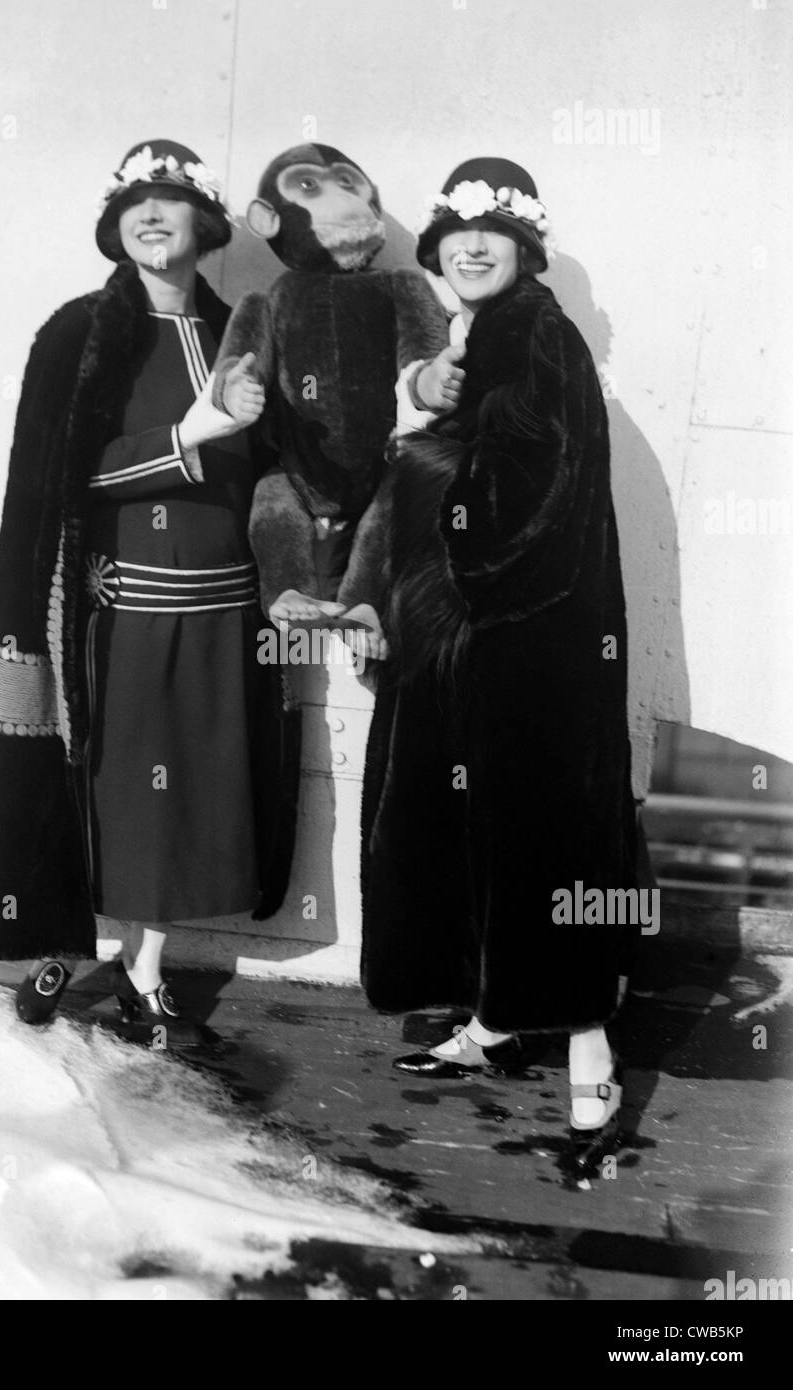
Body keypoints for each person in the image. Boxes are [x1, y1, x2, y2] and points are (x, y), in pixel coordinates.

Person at [342, 158, 639, 1164]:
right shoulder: (479, 336)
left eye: (491, 231)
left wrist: (444, 548)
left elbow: (539, 494)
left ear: (522, 247)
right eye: (455, 231)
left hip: (524, 645)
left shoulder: (537, 339)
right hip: (467, 635)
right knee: (477, 832)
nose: (469, 246)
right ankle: (493, 1021)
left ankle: (589, 1066)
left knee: (541, 841)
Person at [0, 139, 295, 1031]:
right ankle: (59, 946)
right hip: (117, 611)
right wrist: (185, 436)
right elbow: (55, 478)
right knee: (98, 790)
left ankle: (143, 967)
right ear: (116, 228)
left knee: (181, 802)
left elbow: (281, 473)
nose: (152, 215)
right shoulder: (79, 332)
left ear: (205, 224)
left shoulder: (246, 330)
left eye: (171, 200)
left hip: (226, 613)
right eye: (134, 204)